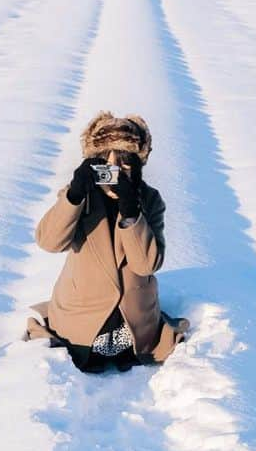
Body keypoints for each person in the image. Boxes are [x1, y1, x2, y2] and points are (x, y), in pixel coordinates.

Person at [26, 112, 187, 373]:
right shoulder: (81, 193)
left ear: (138, 163)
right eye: (106, 160)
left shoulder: (149, 199)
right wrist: (75, 195)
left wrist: (132, 212)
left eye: (124, 160)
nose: (115, 169)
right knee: (83, 345)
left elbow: (146, 265)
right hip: (81, 314)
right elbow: (49, 242)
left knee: (134, 348)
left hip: (134, 321)